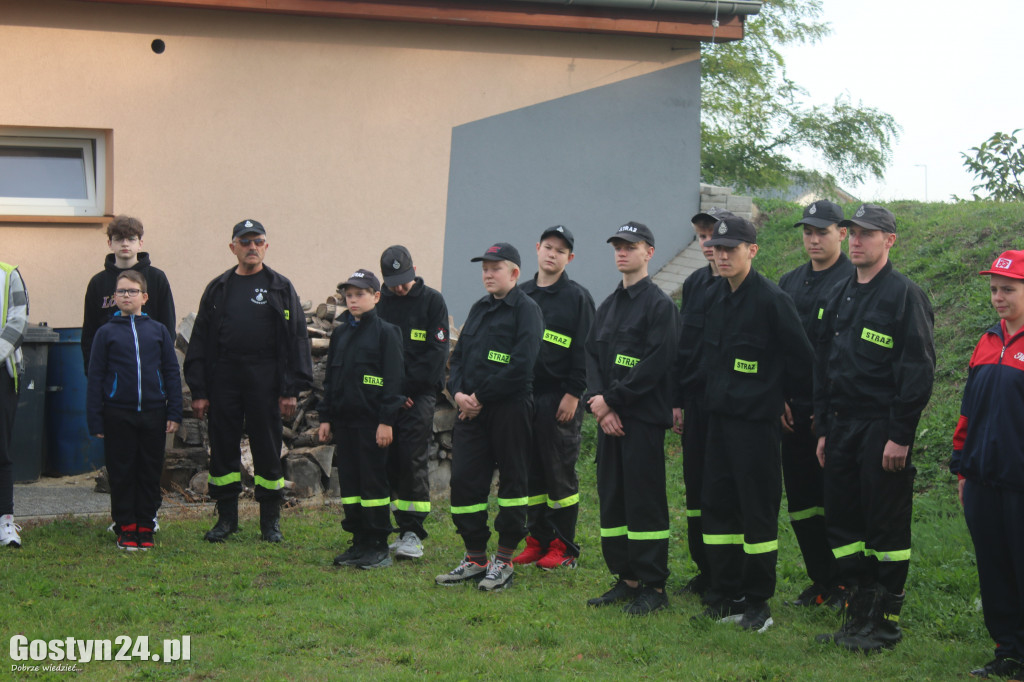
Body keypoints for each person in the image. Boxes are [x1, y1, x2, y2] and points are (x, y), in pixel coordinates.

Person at [813, 203, 935, 651]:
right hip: (842, 428)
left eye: (868, 233)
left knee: (884, 530)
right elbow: (823, 366)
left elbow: (918, 372)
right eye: (853, 232)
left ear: (890, 240)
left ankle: (884, 625)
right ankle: (855, 619)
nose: (858, 240)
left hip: (881, 429)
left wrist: (900, 434)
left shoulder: (905, 296)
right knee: (844, 527)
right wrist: (823, 428)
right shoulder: (840, 292)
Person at [693, 215, 813, 632]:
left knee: (757, 513)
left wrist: (786, 400)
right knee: (719, 508)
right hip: (719, 422)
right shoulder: (715, 296)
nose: (722, 255)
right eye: (718, 248)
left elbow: (802, 361)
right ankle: (727, 594)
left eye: (732, 249)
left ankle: (759, 603)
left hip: (757, 427)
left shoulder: (772, 299)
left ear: (752, 251)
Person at [184, 219, 313, 544]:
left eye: (258, 242)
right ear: (233, 247)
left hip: (265, 380)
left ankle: (270, 522)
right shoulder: (218, 288)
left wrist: (290, 389)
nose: (252, 247)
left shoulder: (280, 287)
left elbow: (297, 338)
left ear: (266, 246)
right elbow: (199, 339)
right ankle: (226, 520)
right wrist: (199, 390)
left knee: (267, 450)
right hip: (224, 379)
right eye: (245, 242)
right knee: (223, 449)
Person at [585, 221, 679, 615]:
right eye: (618, 246)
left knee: (644, 502)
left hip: (639, 421)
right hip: (610, 420)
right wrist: (597, 401)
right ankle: (626, 579)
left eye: (631, 246)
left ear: (649, 253)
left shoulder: (660, 306)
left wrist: (613, 402)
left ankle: (653, 586)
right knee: (613, 501)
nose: (622, 252)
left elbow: (656, 365)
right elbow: (590, 355)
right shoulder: (608, 305)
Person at [436, 243, 543, 592]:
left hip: (510, 411)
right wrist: (461, 394)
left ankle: (504, 559)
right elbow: (459, 357)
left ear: (514, 273)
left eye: (495, 268)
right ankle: (475, 557)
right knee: (465, 481)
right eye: (484, 268)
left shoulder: (527, 310)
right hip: (471, 414)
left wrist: (480, 396)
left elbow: (522, 365)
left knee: (512, 486)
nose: (487, 274)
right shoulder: (479, 308)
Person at [951, 250, 1024, 680]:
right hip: (981, 480)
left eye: (1009, 290)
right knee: (994, 569)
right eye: (994, 289)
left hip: (1019, 484)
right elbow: (968, 413)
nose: (998, 297)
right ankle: (1008, 652)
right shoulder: (986, 340)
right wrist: (962, 469)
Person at [777, 200, 853, 607]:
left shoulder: (851, 282)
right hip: (790, 412)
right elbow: (771, 346)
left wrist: (824, 414)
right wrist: (777, 400)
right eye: (807, 231)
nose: (813, 239)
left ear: (842, 233)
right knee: (803, 503)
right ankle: (821, 579)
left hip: (831, 414)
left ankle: (847, 583)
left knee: (836, 502)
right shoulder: (788, 283)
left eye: (822, 231)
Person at [513, 226, 595, 570]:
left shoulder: (577, 297)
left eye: (560, 251)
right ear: (537, 248)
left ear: (569, 258)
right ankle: (538, 540)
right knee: (531, 473)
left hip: (560, 398)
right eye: (548, 247)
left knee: (559, 472)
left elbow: (586, 350)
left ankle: (564, 546)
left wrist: (574, 393)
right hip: (525, 397)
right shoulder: (521, 294)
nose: (552, 254)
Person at [86, 271, 182, 551]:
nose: (126, 296)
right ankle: (125, 527)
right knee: (122, 471)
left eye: (132, 291)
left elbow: (171, 372)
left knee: (149, 470)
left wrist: (174, 412)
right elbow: (95, 378)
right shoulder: (105, 333)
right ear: (114, 297)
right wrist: (96, 418)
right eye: (121, 292)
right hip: (118, 414)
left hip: (154, 413)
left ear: (145, 297)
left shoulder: (158, 331)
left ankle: (146, 524)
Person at [319, 269, 404, 570]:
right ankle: (359, 541)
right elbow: (331, 379)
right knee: (351, 487)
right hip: (345, 423)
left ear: (376, 296)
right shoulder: (341, 333)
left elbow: (394, 383)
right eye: (349, 295)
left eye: (360, 294)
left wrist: (386, 421)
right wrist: (326, 418)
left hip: (373, 424)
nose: (353, 300)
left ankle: (378, 544)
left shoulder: (387, 333)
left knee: (373, 486)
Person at [671, 207, 732, 597]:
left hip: (727, 407)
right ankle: (703, 569)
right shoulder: (693, 285)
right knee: (694, 489)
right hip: (693, 405)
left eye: (713, 235)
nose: (707, 243)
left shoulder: (742, 286)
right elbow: (683, 349)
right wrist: (676, 401)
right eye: (701, 236)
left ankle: (726, 573)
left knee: (720, 489)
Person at [375, 245, 449, 561]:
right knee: (388, 461)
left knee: (411, 459)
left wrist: (405, 390)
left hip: (419, 395)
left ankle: (413, 533)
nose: (400, 288)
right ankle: (397, 526)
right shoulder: (380, 304)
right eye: (394, 282)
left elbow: (436, 356)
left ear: (414, 270)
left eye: (404, 280)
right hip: (389, 395)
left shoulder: (433, 302)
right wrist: (392, 394)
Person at [82, 215, 176, 376]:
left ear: (140, 244)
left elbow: (168, 326)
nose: (125, 244)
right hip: (110, 369)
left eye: (131, 239)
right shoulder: (98, 282)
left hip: (150, 367)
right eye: (119, 239)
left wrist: (162, 367)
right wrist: (93, 373)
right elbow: (89, 333)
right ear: (110, 243)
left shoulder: (156, 278)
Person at [0, 260, 28, 548]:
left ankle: (4, 521)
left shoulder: (8, 275)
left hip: (1, 374)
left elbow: (18, 322)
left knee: (1, 449)